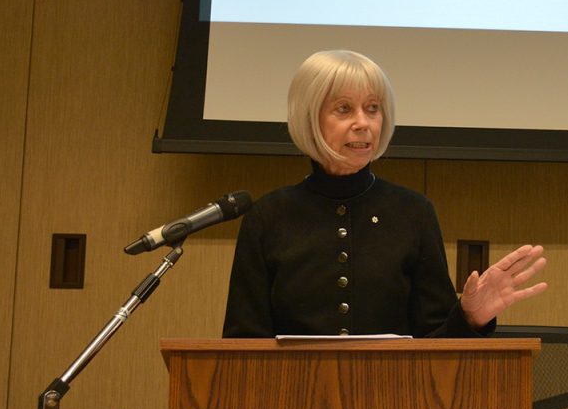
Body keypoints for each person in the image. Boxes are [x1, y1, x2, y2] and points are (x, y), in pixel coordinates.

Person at [223, 49, 547, 337]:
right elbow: (242, 344)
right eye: (344, 109)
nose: (363, 123)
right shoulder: (268, 217)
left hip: (394, 400)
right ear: (310, 118)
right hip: (292, 400)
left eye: (373, 108)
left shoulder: (412, 212)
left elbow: (435, 344)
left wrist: (470, 317)